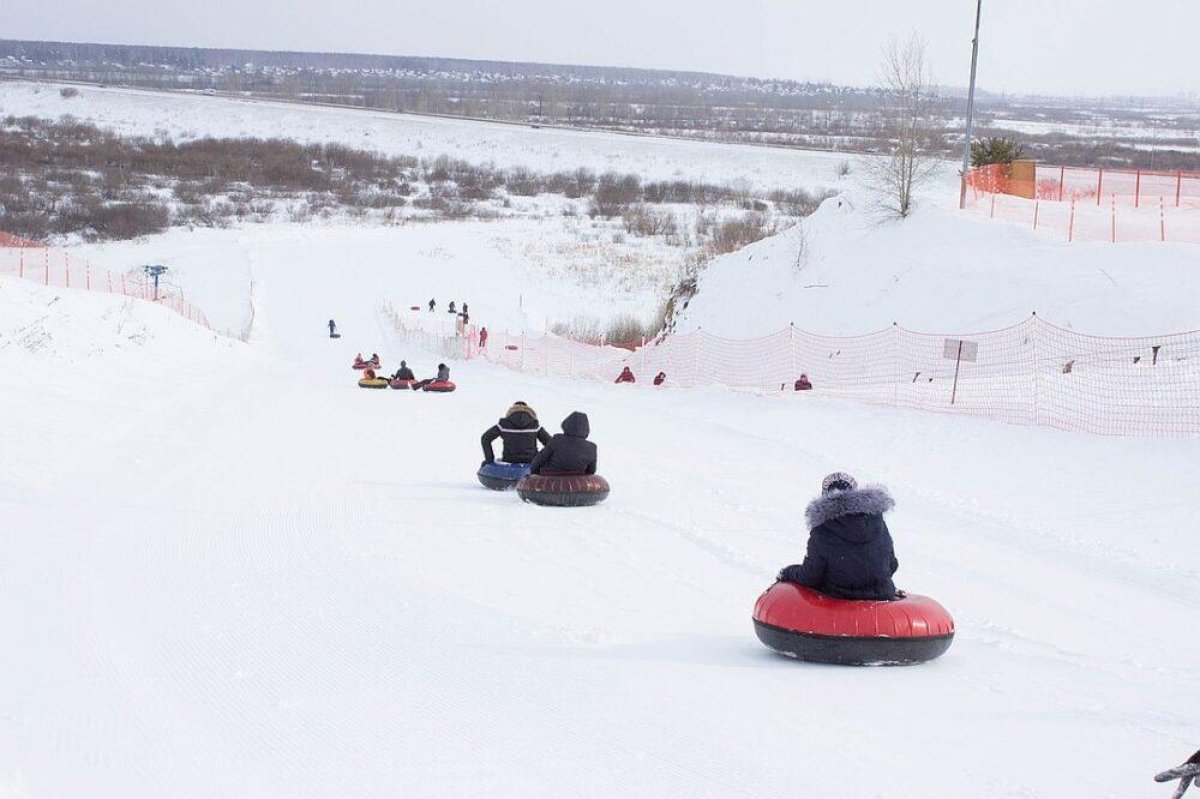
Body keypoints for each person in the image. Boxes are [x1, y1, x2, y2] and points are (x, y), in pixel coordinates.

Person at [777, 472, 899, 601]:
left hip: (840, 599)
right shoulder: (878, 524)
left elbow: (810, 577)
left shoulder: (822, 531)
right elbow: (892, 564)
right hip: (882, 595)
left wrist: (789, 572)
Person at [481, 401, 552, 465]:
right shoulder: (535, 425)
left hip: (509, 461)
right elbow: (550, 443)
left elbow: (485, 438)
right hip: (531, 461)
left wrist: (489, 459)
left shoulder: (504, 424)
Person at [530, 412, 596, 476]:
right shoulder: (592, 448)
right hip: (576, 483)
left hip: (550, 481)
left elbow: (539, 460)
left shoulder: (556, 440)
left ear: (566, 425)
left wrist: (534, 475)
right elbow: (591, 471)